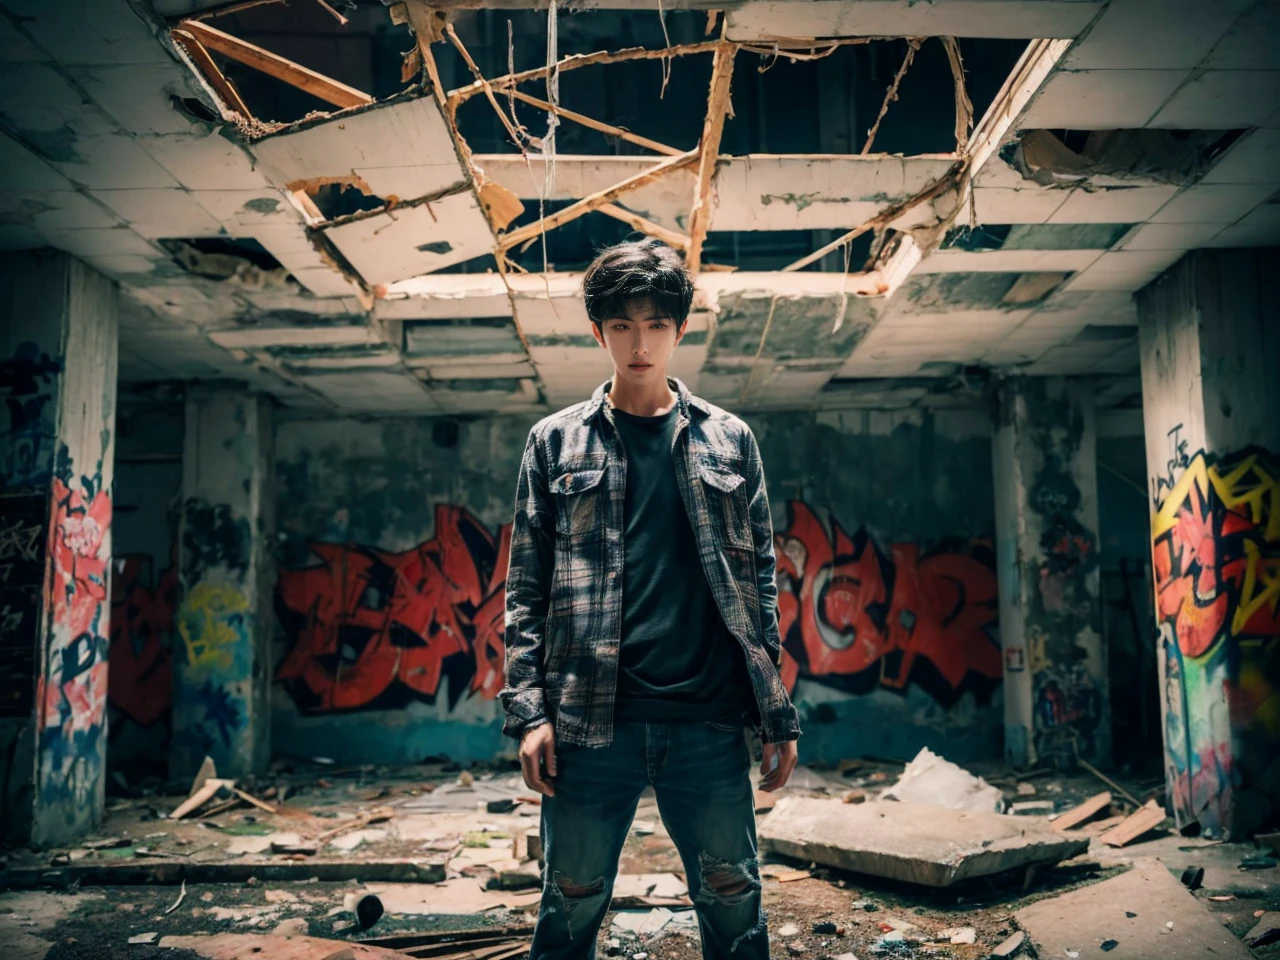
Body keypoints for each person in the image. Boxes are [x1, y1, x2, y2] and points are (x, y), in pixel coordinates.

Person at [501, 238, 800, 960]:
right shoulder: (554, 443)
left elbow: (760, 583)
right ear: (598, 331)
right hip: (587, 724)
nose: (641, 344)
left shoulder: (729, 440)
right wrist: (529, 715)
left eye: (657, 326)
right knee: (569, 905)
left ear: (680, 330)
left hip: (706, 724)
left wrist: (774, 711)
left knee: (734, 900)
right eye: (624, 326)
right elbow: (525, 590)